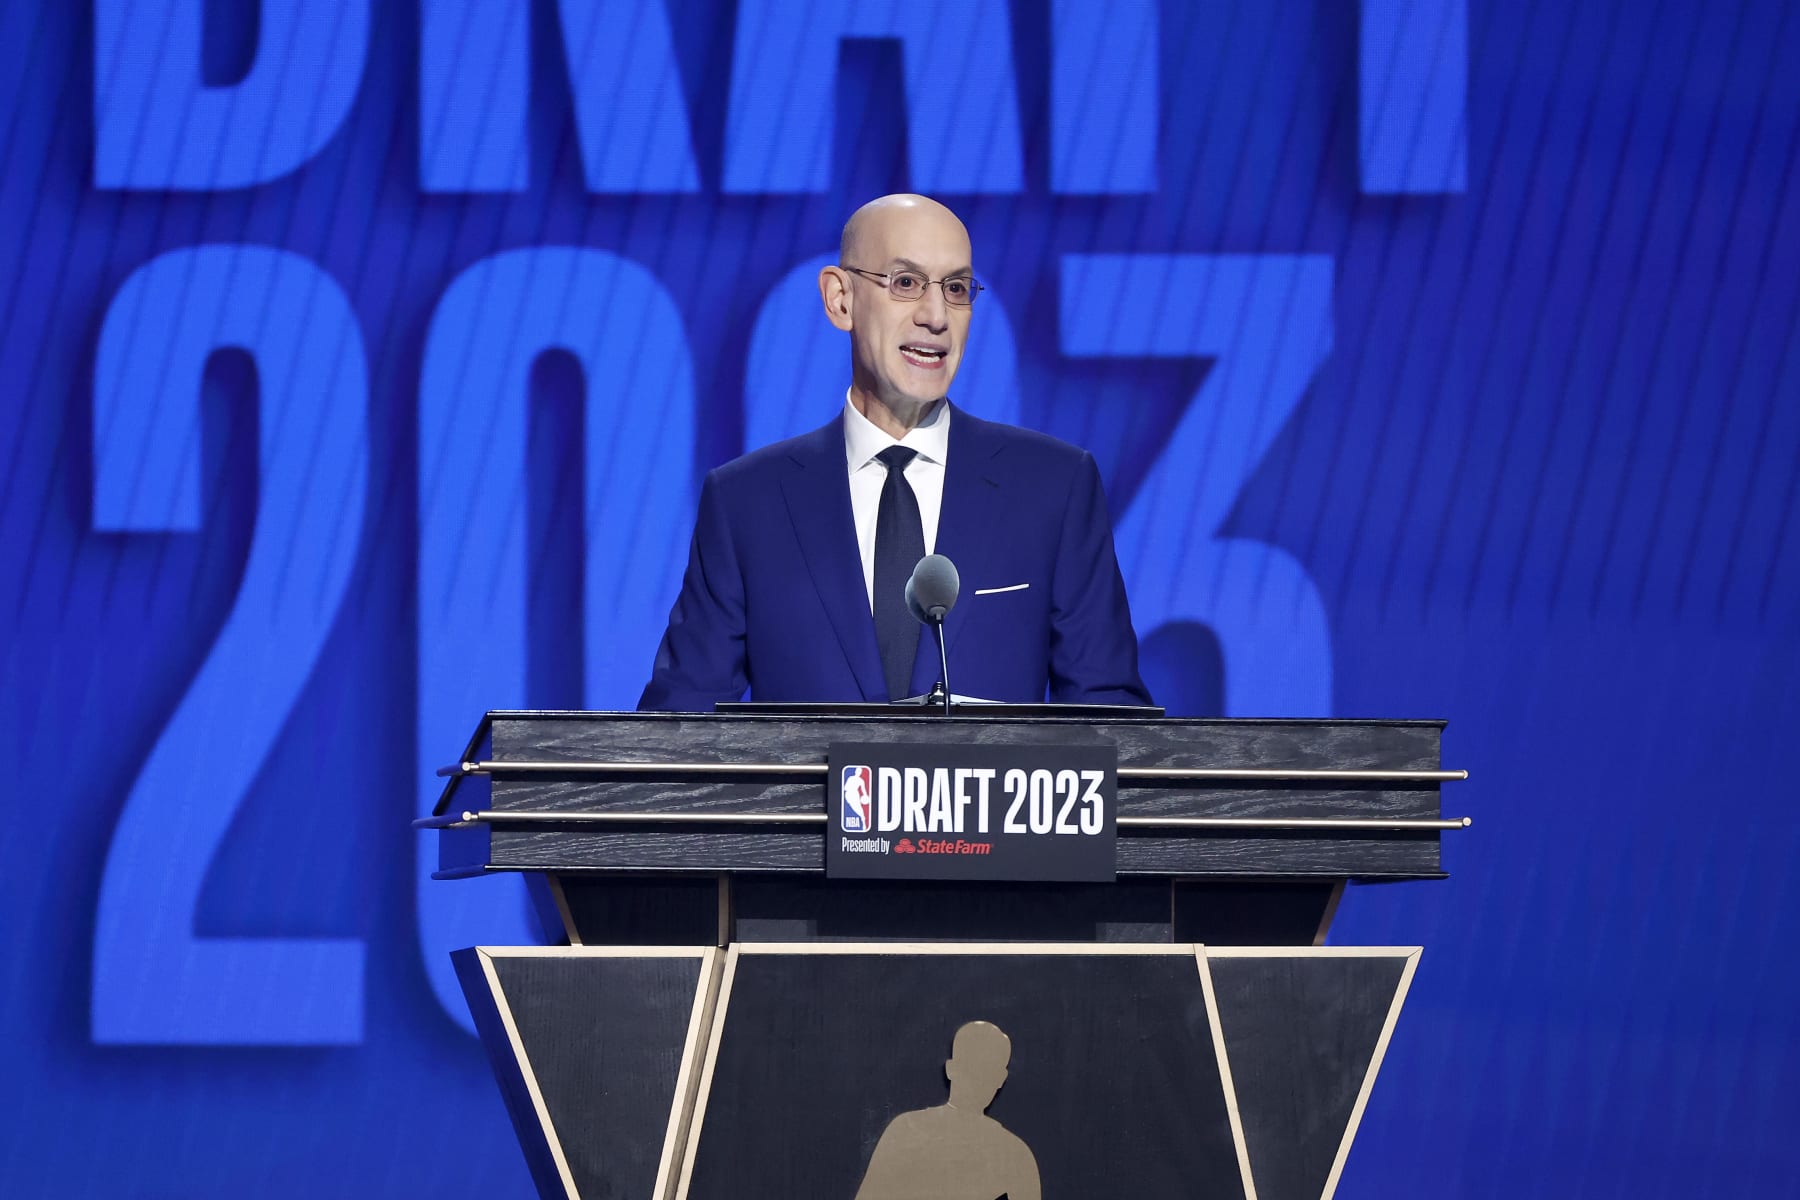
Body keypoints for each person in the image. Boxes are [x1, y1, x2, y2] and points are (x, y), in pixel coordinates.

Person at [638, 194, 1150, 711]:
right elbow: (680, 728)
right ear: (841, 299)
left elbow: (1110, 722)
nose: (935, 316)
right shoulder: (747, 502)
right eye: (905, 283)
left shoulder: (1053, 487)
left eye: (955, 289)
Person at [853, 1020, 1040, 1200]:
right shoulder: (905, 1129)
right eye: (973, 1068)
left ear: (1001, 1078)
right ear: (951, 1069)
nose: (978, 1081)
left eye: (987, 1070)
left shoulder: (1014, 1154)